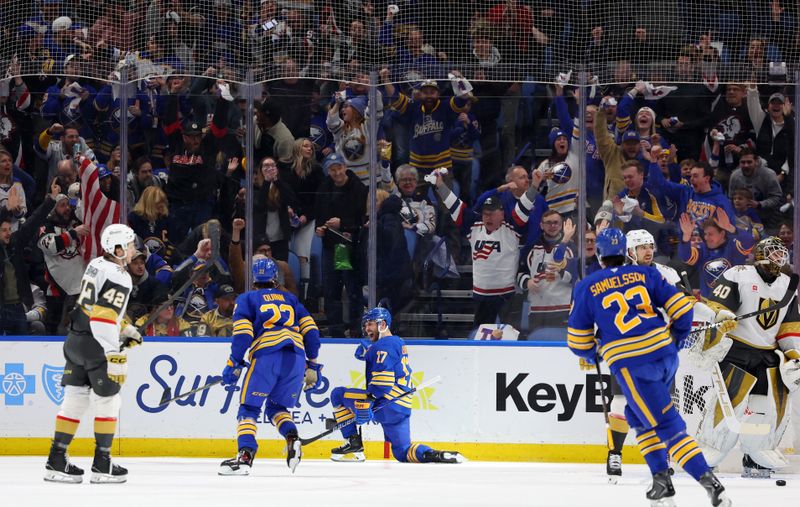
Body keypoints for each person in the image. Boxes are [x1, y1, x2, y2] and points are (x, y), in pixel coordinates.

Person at [567, 228, 731, 506]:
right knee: (637, 416)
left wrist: (593, 352)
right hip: (665, 355)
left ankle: (710, 483)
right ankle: (661, 482)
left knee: (667, 425)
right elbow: (682, 308)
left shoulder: (588, 284)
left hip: (634, 364)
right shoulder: (648, 274)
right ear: (626, 252)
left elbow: (577, 340)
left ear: (601, 255)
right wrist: (675, 340)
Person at [44, 224, 142, 484]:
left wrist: (125, 328)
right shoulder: (120, 275)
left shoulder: (96, 263)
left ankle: (56, 459)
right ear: (118, 249)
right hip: (96, 346)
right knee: (108, 401)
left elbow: (93, 307)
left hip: (75, 340)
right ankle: (102, 464)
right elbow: (102, 318)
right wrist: (115, 354)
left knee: (74, 398)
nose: (134, 249)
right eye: (130, 245)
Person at [699, 237, 800, 478]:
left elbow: (789, 326)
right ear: (761, 255)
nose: (779, 259)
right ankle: (710, 451)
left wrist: (793, 352)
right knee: (729, 404)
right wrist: (723, 317)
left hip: (768, 355)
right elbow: (716, 305)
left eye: (781, 254)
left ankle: (757, 456)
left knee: (769, 407)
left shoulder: (788, 284)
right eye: (774, 254)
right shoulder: (739, 274)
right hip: (737, 349)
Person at [219, 258, 322, 475]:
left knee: (249, 408)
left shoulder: (247, 298)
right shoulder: (291, 299)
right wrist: (313, 364)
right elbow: (312, 332)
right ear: (276, 278)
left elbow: (244, 334)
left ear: (253, 279)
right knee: (277, 408)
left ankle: (245, 457)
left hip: (266, 355)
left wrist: (234, 362)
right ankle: (293, 439)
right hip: (295, 357)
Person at [327, 307, 465, 464]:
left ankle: (353, 443)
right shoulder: (398, 342)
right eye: (366, 325)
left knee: (337, 394)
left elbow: (382, 384)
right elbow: (388, 362)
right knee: (402, 451)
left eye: (371, 324)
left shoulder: (383, 346)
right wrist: (369, 351)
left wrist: (367, 402)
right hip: (401, 407)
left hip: (385, 401)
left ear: (383, 324)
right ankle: (437, 455)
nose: (367, 329)